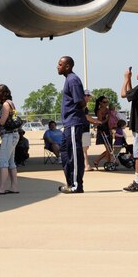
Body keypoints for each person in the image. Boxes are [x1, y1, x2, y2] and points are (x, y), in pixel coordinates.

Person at [57, 56, 87, 193]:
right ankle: (70, 183)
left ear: (67, 66)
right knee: (65, 152)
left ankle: (76, 185)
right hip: (68, 124)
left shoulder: (73, 80)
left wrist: (75, 115)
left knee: (74, 154)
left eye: (60, 64)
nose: (58, 67)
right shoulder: (68, 80)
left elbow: (81, 102)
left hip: (74, 122)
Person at [92, 95, 113, 169]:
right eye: (104, 102)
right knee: (108, 148)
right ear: (100, 103)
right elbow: (100, 122)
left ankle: (109, 162)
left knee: (110, 148)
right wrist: (107, 119)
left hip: (109, 129)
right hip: (103, 129)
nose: (106, 103)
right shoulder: (99, 111)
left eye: (107, 102)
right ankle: (97, 160)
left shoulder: (108, 110)